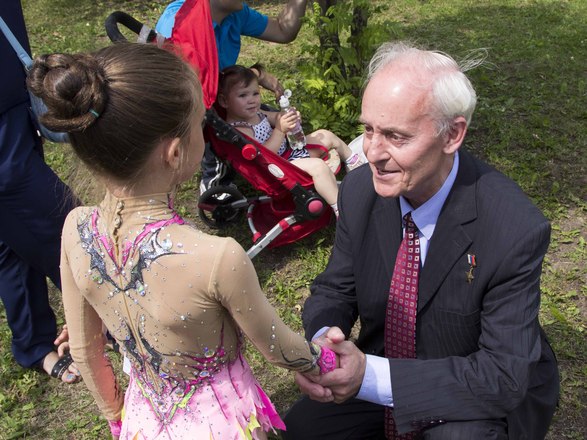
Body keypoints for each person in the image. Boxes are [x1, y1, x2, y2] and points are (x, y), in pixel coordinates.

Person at [28, 42, 337, 440]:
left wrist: (119, 419)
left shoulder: (76, 229)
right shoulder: (215, 256)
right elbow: (277, 347)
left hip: (143, 422)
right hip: (223, 427)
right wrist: (325, 361)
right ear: (175, 152)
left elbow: (87, 353)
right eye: (198, 126)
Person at [283, 41, 559, 439]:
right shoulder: (360, 191)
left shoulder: (513, 227)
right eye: (368, 130)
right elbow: (335, 289)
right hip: (386, 363)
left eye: (396, 136)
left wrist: (367, 376)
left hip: (473, 387)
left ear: (453, 134)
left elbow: (501, 374)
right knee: (303, 429)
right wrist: (325, 344)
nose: (373, 153)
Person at [0, 0, 80, 383]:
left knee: (10, 232)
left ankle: (34, 341)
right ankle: (114, 313)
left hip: (10, 91)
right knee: (57, 220)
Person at [156, 0, 309, 193]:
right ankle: (215, 179)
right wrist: (256, 74)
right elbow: (181, 90)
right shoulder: (181, 23)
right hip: (189, 104)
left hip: (217, 94)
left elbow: (283, 30)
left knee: (257, 112)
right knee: (221, 123)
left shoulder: (234, 12)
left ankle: (282, 155)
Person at [217, 65, 363, 216]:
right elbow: (263, 155)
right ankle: (342, 211)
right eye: (243, 95)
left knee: (326, 135)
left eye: (255, 93)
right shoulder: (241, 130)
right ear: (224, 101)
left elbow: (275, 117)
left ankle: (356, 166)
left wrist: (288, 117)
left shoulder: (255, 113)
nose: (252, 100)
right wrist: (280, 130)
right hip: (277, 169)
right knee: (319, 167)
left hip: (288, 155)